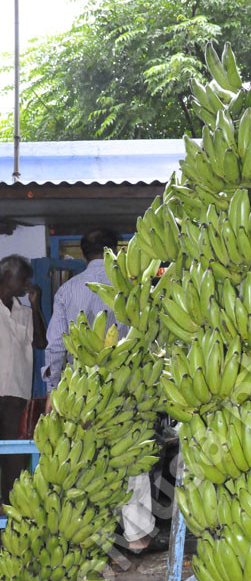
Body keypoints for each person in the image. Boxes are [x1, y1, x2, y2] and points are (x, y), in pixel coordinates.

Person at [42, 229, 164, 554]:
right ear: (116, 252)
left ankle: (89, 536)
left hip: (81, 389)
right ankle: (136, 536)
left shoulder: (67, 291)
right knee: (132, 459)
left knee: (84, 459)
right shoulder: (131, 289)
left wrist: (54, 389)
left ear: (83, 255)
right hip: (127, 388)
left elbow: (55, 346)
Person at [0, 254, 47, 508]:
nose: (27, 283)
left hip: (17, 398)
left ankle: (11, 514)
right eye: (23, 278)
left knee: (14, 461)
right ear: (8, 277)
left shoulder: (24, 312)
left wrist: (36, 305)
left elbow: (41, 343)